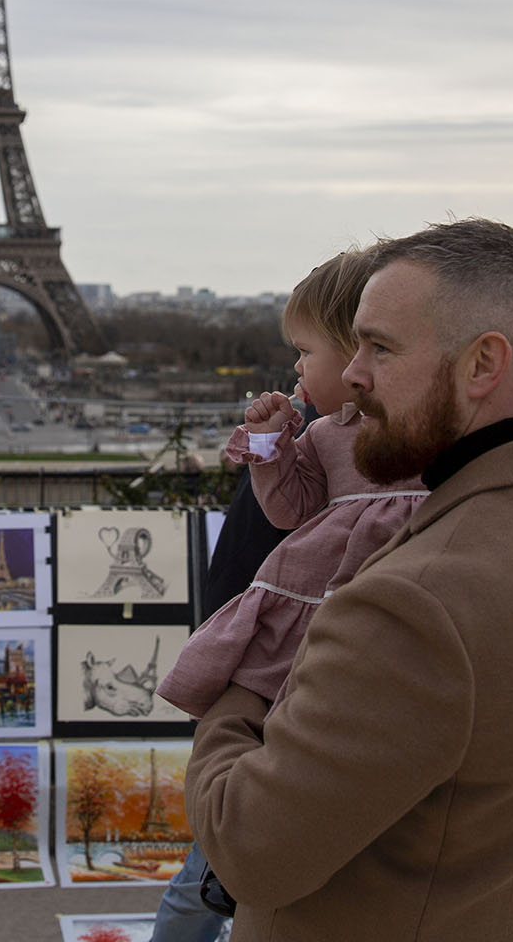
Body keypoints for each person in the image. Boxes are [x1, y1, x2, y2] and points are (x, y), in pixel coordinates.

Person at [185, 218, 513, 941]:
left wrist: (243, 678)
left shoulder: (413, 601)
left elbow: (248, 845)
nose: (352, 373)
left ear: (483, 364)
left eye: (380, 348)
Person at [154, 248, 424, 942]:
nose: (297, 368)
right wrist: (273, 439)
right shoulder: (327, 436)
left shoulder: (412, 437)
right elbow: (289, 505)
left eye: (305, 352)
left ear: (362, 350)